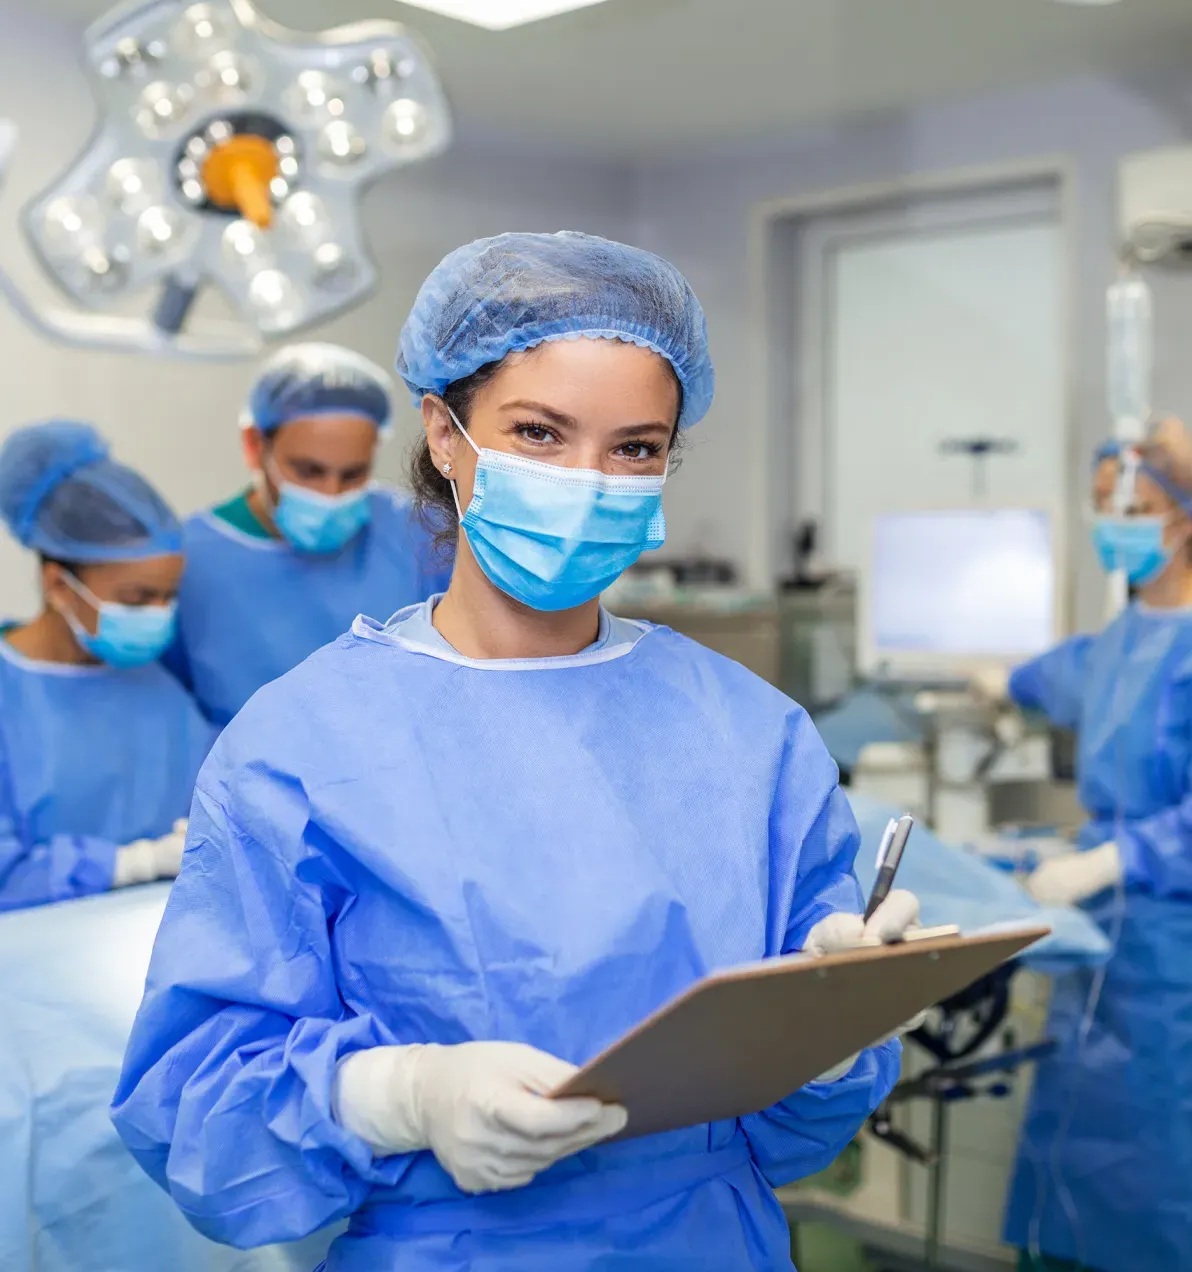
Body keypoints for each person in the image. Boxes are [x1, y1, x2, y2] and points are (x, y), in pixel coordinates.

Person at [112, 231, 919, 1270]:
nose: (588, 482)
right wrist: (399, 1096)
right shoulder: (301, 744)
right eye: (539, 434)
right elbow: (197, 1112)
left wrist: (835, 1030)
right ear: (445, 436)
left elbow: (798, 1137)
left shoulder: (751, 735)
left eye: (634, 448)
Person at [1001, 419, 1192, 1272]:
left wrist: (1111, 859)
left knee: (1189, 1170)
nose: (1114, 526)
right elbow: (1051, 678)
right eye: (1101, 508)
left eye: (1138, 508)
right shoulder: (1119, 639)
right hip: (1108, 951)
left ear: (1187, 517)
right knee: (1093, 1154)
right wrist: (987, 678)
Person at [164, 342, 452, 726]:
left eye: (352, 474)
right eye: (309, 471)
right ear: (254, 446)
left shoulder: (417, 531)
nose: (331, 494)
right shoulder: (188, 560)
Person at [0, 421, 215, 914]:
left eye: (168, 596)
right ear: (58, 585)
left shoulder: (159, 691)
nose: (159, 614)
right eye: (137, 599)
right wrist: (136, 863)